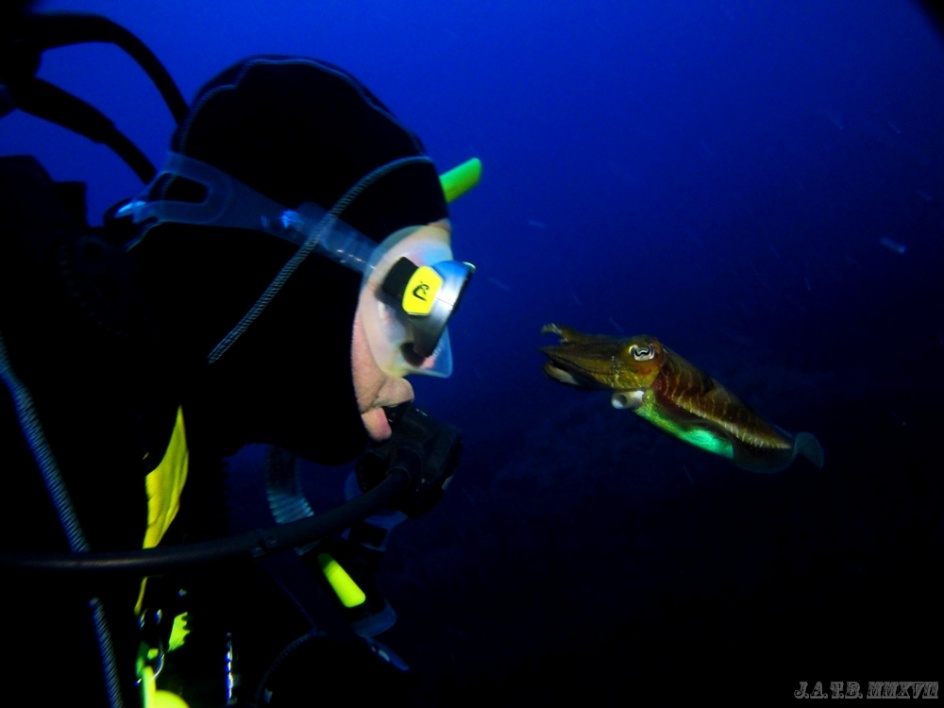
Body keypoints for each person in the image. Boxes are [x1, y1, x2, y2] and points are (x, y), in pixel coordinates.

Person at [1, 7, 478, 706]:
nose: (427, 360)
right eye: (414, 303)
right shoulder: (37, 405)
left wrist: (290, 669)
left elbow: (167, 595)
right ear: (296, 274)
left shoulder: (163, 416)